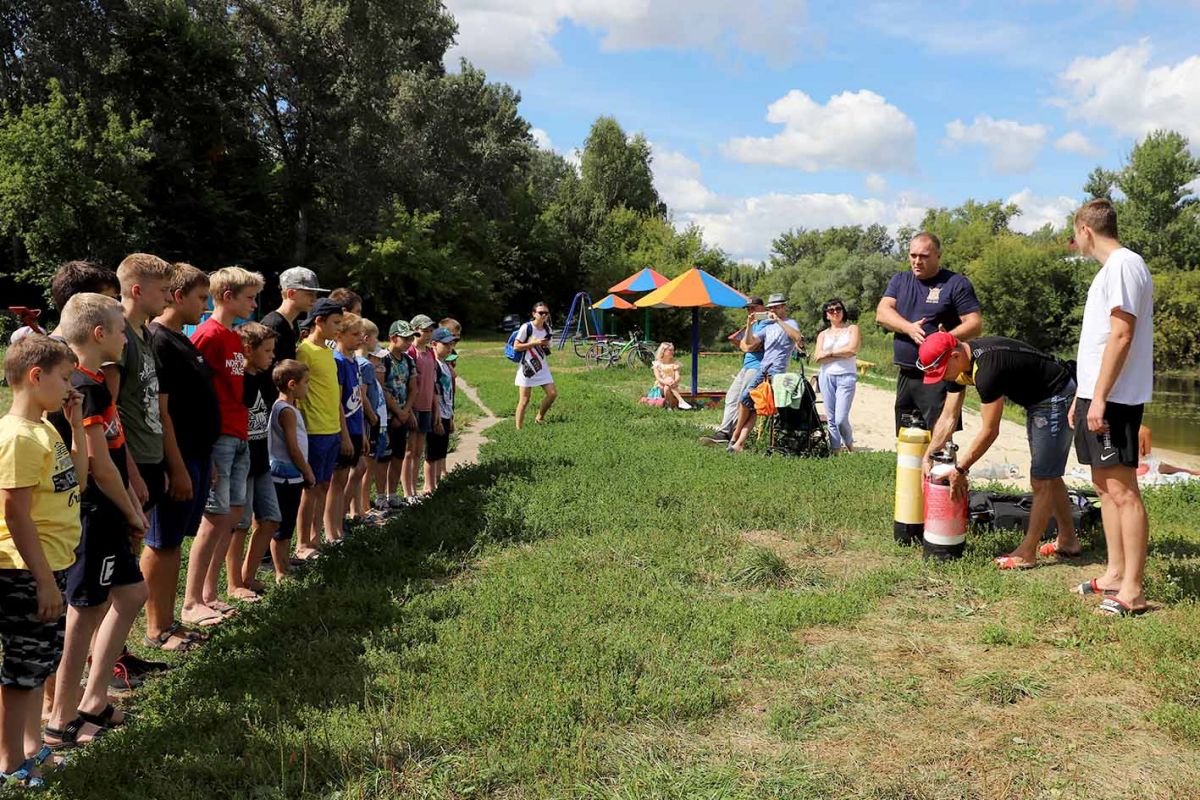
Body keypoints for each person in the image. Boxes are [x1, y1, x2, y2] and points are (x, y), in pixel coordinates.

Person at [43, 294, 148, 753]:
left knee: (131, 593)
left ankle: (94, 699)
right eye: (121, 330)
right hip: (94, 514)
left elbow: (115, 453)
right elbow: (100, 465)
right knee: (84, 614)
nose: (127, 337)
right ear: (99, 334)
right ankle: (61, 721)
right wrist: (131, 511)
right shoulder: (84, 387)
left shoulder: (93, 381)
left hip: (110, 510)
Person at [0, 336, 86, 785]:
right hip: (25, 571)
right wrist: (44, 581)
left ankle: (32, 749)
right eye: (65, 376)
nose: (70, 385)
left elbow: (79, 480)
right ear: (37, 377)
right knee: (21, 668)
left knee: (37, 666)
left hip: (50, 565)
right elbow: (14, 510)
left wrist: (76, 426)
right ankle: (9, 763)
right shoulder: (16, 436)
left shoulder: (46, 428)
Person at [916, 332, 1079, 570]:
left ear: (954, 355)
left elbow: (990, 431)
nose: (943, 378)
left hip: (1056, 395)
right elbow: (949, 417)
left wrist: (961, 468)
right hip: (1037, 398)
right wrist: (929, 454)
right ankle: (1068, 540)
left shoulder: (987, 370)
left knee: (1042, 477)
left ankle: (1027, 552)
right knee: (1049, 474)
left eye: (942, 372)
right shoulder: (960, 364)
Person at [1068, 199, 1154, 616]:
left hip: (1115, 398)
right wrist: (1082, 395)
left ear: (1085, 229)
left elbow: (1122, 335)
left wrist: (1099, 397)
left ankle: (1133, 591)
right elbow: (1099, 340)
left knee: (1123, 491)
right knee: (1104, 489)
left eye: (1075, 235)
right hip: (1096, 394)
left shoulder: (1123, 265)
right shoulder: (1110, 271)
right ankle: (1115, 573)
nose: (1076, 243)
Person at [144, 265, 219, 651]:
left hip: (197, 455)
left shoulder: (182, 339)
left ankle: (168, 622)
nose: (205, 306)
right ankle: (157, 628)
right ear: (178, 296)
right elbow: (164, 413)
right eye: (201, 298)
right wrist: (176, 465)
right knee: (162, 542)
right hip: (178, 458)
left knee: (174, 542)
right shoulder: (159, 340)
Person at [184, 267, 262, 627]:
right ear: (228, 297)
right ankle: (191, 600)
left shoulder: (232, 337)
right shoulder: (208, 335)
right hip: (218, 440)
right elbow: (191, 390)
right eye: (249, 297)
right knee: (213, 520)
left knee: (228, 519)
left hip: (239, 433)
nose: (255, 303)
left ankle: (211, 594)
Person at [875, 232, 982, 433]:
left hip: (940, 375)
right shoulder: (900, 280)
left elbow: (975, 324)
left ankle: (941, 466)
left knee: (940, 440)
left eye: (924, 256)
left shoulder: (956, 283)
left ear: (938, 256)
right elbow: (882, 312)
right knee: (906, 438)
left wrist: (945, 339)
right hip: (906, 372)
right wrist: (908, 327)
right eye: (913, 255)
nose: (917, 261)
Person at [108, 254, 174, 528]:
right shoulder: (119, 337)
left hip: (150, 459)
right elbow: (107, 410)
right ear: (137, 291)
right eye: (163, 290)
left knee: (137, 542)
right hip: (129, 460)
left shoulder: (146, 334)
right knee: (126, 541)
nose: (169, 298)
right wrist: (132, 473)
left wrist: (160, 463)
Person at [295, 298, 347, 558]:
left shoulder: (328, 352)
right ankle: (302, 542)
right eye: (335, 323)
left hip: (332, 429)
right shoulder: (304, 351)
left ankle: (315, 538)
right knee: (310, 488)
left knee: (324, 485)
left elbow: (334, 396)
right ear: (319, 321)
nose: (339, 329)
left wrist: (343, 431)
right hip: (314, 430)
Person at [232, 322, 280, 598]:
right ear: (248, 350)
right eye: (268, 350)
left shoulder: (262, 376)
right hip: (243, 460)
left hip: (262, 459)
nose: (272, 356)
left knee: (271, 519)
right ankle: (234, 582)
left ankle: (249, 576)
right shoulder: (238, 380)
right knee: (239, 525)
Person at [728, 294, 805, 452]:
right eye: (771, 308)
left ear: (784, 307)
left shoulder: (790, 323)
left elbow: (798, 338)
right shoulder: (767, 326)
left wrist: (778, 320)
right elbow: (750, 343)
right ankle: (739, 443)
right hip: (763, 368)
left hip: (776, 371)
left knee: (752, 403)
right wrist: (749, 325)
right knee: (751, 404)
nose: (773, 310)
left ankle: (736, 437)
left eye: (777, 307)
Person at [267, 360, 314, 580]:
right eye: (306, 383)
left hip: (291, 476)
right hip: (285, 475)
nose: (309, 387)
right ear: (293, 384)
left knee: (286, 526)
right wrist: (307, 471)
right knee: (282, 527)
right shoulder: (286, 411)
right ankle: (280, 572)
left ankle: (285, 565)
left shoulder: (289, 407)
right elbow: (293, 449)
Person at [699, 298, 766, 446]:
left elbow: (750, 345)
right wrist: (748, 329)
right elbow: (743, 344)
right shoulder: (752, 324)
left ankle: (731, 433)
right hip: (747, 365)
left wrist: (748, 344)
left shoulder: (767, 322)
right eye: (748, 309)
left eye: (753, 308)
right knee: (731, 396)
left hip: (758, 366)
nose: (751, 312)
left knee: (743, 400)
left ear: (762, 308)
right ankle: (724, 432)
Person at [326, 312, 366, 542]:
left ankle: (339, 525)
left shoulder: (354, 361)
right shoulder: (338, 361)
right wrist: (345, 436)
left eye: (361, 334)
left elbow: (357, 400)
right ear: (339, 335)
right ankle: (331, 532)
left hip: (356, 428)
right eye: (354, 334)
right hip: (344, 430)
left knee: (344, 480)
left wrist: (361, 433)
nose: (360, 338)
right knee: (336, 482)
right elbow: (338, 402)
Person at [814, 298, 860, 454]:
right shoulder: (822, 335)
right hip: (826, 376)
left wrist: (830, 353)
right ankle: (835, 450)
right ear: (826, 315)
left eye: (838, 309)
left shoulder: (852, 329)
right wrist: (841, 353)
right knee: (831, 418)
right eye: (830, 310)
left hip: (846, 376)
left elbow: (852, 350)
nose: (835, 312)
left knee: (841, 418)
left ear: (843, 311)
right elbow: (818, 357)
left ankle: (849, 444)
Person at [349, 319, 383, 521]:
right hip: (366, 422)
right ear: (366, 339)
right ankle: (361, 509)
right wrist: (373, 417)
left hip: (359, 422)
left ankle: (357, 509)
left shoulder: (356, 362)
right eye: (376, 337)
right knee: (365, 467)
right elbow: (362, 396)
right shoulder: (366, 365)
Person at [382, 321, 417, 507]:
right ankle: (380, 495)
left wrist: (406, 411)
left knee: (398, 455)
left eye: (411, 338)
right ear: (393, 338)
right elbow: (383, 388)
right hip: (387, 416)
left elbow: (413, 388)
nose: (409, 342)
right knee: (384, 458)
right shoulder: (383, 358)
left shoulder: (408, 360)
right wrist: (397, 412)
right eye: (405, 338)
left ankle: (392, 494)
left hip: (403, 413)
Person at [261, 267, 329, 364]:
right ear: (291, 293)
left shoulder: (288, 324)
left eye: (315, 294)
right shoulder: (273, 325)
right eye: (309, 294)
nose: (314, 299)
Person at [404, 315, 438, 495]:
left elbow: (432, 382)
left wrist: (435, 407)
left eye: (431, 331)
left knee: (418, 451)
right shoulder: (410, 352)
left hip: (426, 407)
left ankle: (414, 489)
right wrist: (407, 409)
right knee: (409, 451)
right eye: (425, 331)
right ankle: (407, 491)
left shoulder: (431, 351)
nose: (429, 334)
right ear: (415, 330)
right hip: (413, 407)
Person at [424, 328, 458, 494]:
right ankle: (428, 486)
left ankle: (437, 484)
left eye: (451, 344)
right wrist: (436, 417)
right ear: (433, 344)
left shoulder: (445, 364)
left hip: (446, 413)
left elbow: (449, 393)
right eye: (445, 344)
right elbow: (434, 392)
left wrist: (450, 416)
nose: (449, 347)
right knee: (431, 453)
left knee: (441, 452)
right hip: (435, 415)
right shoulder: (434, 364)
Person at [513, 302, 557, 430]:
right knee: (524, 400)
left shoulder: (548, 329)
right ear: (534, 314)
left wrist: (544, 345)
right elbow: (516, 346)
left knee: (552, 394)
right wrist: (534, 343)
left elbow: (549, 347)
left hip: (542, 367)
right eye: (541, 313)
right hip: (527, 368)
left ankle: (540, 417)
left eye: (546, 313)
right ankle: (518, 430)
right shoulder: (526, 327)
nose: (544, 315)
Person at [652, 342, 683, 409]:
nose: (672, 352)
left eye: (673, 350)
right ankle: (680, 401)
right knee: (667, 383)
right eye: (670, 350)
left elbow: (678, 376)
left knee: (667, 387)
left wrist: (675, 382)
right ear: (663, 351)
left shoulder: (674, 363)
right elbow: (658, 378)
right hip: (660, 385)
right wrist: (667, 382)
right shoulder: (657, 364)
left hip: (672, 385)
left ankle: (669, 406)